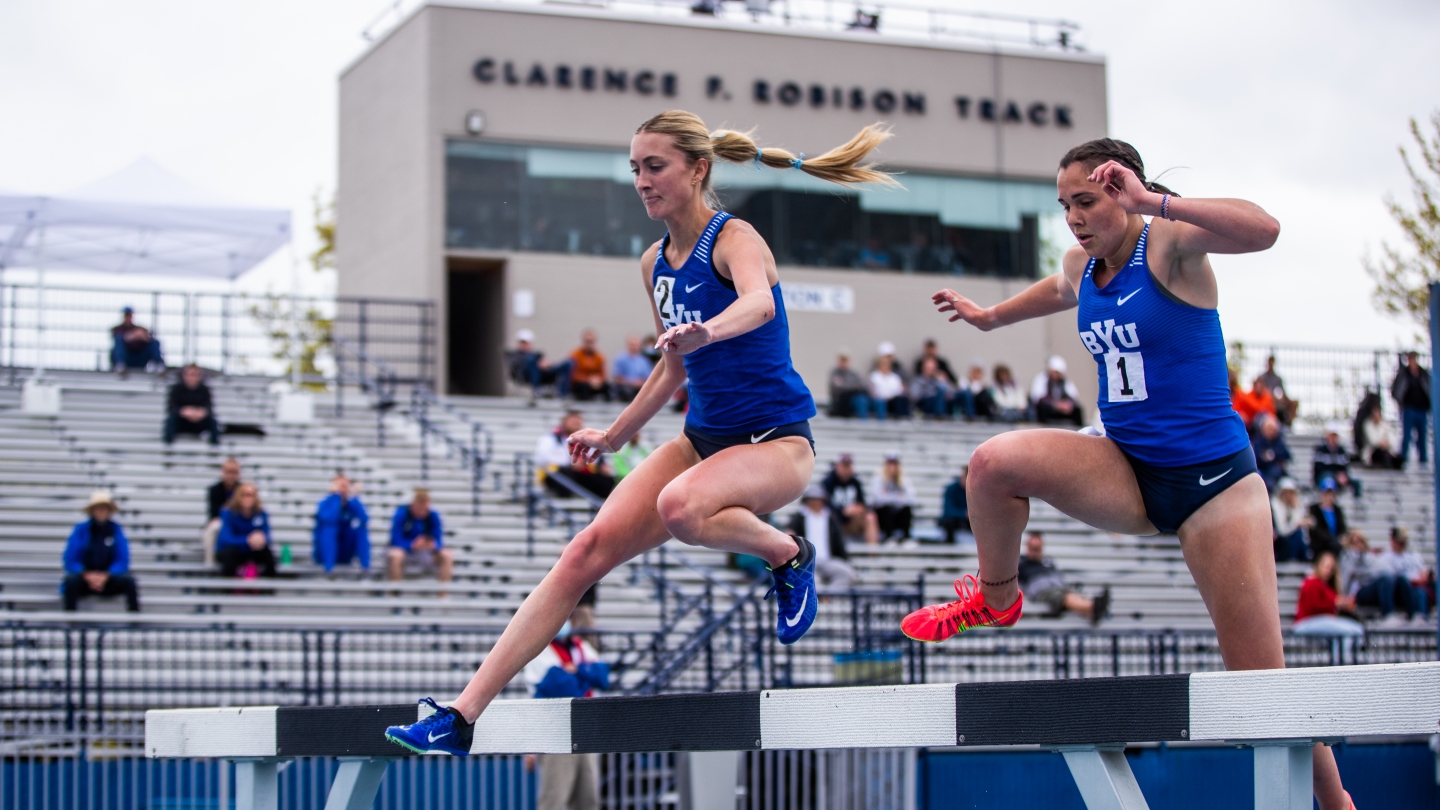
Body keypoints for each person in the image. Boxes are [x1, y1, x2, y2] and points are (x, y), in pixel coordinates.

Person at [385, 111, 895, 754]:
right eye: (634, 168)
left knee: (679, 506)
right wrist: (616, 435)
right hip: (701, 439)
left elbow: (759, 303)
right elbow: (671, 363)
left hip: (776, 442)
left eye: (655, 166)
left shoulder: (736, 237)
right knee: (581, 554)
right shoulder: (654, 260)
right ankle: (459, 716)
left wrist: (709, 329)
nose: (642, 181)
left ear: (698, 168)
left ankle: (788, 555)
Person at [901, 138, 1351, 807]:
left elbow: (1266, 230)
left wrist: (1154, 201)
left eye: (1086, 201)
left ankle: (1336, 802)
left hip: (1213, 488)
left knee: (1261, 682)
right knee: (993, 463)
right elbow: (1058, 289)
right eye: (1065, 205)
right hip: (1127, 469)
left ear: (1122, 191)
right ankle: (998, 599)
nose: (1074, 218)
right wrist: (989, 318)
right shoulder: (1083, 265)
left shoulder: (1169, 246)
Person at [522, 608, 609, 810]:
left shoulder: (579, 647)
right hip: (557, 734)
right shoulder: (538, 649)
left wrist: (576, 670)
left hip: (586, 733)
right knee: (554, 800)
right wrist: (585, 674)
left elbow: (603, 676)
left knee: (587, 800)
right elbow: (562, 686)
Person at [62, 491, 140, 612]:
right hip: (85, 579)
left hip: (109, 579)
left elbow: (122, 560)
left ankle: (135, 621)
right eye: (98, 508)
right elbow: (70, 559)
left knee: (129, 581)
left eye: (104, 508)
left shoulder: (116, 530)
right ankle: (70, 622)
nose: (101, 511)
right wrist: (87, 575)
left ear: (109, 511)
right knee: (71, 581)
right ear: (92, 511)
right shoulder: (81, 530)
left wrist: (106, 576)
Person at [1016, 532, 1109, 625]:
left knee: (1070, 593)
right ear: (1027, 547)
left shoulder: (1048, 563)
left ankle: (1091, 610)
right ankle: (1093, 607)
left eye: (1038, 549)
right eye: (1033, 548)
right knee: (1064, 596)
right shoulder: (1021, 564)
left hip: (1058, 588)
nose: (1035, 551)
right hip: (1042, 592)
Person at [1342, 530, 1424, 625]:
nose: (1358, 545)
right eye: (1354, 542)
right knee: (1385, 578)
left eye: (1360, 541)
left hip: (1378, 589)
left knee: (1401, 578)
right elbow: (1345, 580)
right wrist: (1344, 598)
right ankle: (1388, 615)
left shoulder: (1371, 558)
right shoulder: (1346, 559)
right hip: (1360, 592)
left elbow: (1388, 572)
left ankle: (1413, 614)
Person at [786, 485, 856, 591]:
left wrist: (845, 558)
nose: (815, 503)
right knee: (809, 580)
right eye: (812, 500)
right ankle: (820, 598)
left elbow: (838, 542)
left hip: (828, 560)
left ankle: (829, 595)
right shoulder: (798, 518)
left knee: (847, 573)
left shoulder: (831, 519)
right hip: (807, 562)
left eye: (818, 500)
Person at [534, 411, 616, 500]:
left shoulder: (587, 439)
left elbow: (597, 458)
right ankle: (565, 499)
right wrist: (570, 464)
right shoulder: (550, 439)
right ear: (564, 422)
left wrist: (600, 466)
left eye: (578, 421)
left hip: (580, 474)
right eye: (573, 421)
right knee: (564, 475)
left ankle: (599, 504)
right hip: (558, 474)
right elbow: (543, 458)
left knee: (606, 480)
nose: (576, 424)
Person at [388, 489, 454, 584]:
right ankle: (394, 594)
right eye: (420, 507)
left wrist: (432, 544)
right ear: (414, 504)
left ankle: (443, 595)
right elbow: (395, 540)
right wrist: (412, 544)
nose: (422, 511)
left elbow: (438, 540)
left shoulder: (433, 515)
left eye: (425, 507)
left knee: (448, 555)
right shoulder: (402, 514)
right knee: (396, 555)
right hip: (406, 551)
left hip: (426, 551)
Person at [1292, 552, 1364, 637]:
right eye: (1326, 567)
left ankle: (1347, 649)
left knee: (1357, 628)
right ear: (1319, 565)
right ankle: (1344, 650)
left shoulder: (1326, 586)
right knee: (1347, 630)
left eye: (1331, 569)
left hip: (1322, 621)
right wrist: (1336, 603)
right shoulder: (1311, 582)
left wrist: (1343, 604)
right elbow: (1313, 606)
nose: (1328, 571)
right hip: (1307, 622)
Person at [215, 482, 277, 578]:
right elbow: (226, 539)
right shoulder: (228, 512)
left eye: (251, 495)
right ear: (238, 496)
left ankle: (268, 590)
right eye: (244, 495)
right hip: (232, 551)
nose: (247, 498)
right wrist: (248, 540)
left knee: (268, 555)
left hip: (251, 550)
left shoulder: (261, 513)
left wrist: (260, 539)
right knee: (231, 554)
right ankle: (226, 590)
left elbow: (267, 536)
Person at [313, 474, 370, 574]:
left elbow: (364, 519)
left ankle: (365, 568)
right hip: (325, 553)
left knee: (360, 529)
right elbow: (331, 519)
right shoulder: (325, 503)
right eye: (340, 486)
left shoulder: (352, 503)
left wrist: (355, 497)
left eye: (345, 485)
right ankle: (328, 569)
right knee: (329, 529)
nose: (343, 489)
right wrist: (336, 497)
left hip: (344, 550)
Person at [822, 454, 880, 545]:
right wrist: (843, 511)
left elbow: (862, 503)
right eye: (844, 466)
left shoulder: (856, 483)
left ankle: (873, 554)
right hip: (835, 520)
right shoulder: (828, 482)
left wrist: (857, 508)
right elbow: (824, 505)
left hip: (852, 520)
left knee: (870, 517)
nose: (846, 470)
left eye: (848, 466)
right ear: (838, 466)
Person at [1379, 527, 1432, 620]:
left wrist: (1423, 577)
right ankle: (1414, 615)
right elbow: (1390, 579)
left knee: (1421, 591)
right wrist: (1413, 580)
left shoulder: (1414, 556)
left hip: (1416, 587)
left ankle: (1422, 618)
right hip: (1398, 590)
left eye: (1403, 542)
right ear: (1392, 541)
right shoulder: (1385, 558)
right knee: (1403, 580)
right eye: (1399, 542)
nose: (1401, 545)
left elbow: (1424, 572)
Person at [164, 364, 220, 445]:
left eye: (196, 374)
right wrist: (183, 411)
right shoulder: (176, 388)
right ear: (184, 375)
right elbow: (172, 407)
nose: (193, 377)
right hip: (182, 422)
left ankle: (214, 448)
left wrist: (200, 413)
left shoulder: (204, 389)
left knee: (213, 422)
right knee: (170, 420)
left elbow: (209, 408)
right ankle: (168, 447)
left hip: (199, 422)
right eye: (191, 374)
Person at [1391, 351, 1430, 466]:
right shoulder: (1404, 374)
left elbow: (1428, 388)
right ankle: (1403, 458)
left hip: (1422, 408)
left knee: (1422, 435)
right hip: (1409, 408)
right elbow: (1396, 390)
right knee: (1407, 434)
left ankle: (1423, 458)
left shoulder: (1423, 373)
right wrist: (1400, 402)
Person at [201, 457, 242, 566]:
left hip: (240, 522)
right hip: (221, 521)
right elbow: (214, 513)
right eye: (228, 472)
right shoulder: (214, 489)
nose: (231, 475)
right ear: (223, 472)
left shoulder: (243, 489)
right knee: (213, 529)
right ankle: (210, 562)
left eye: (234, 472)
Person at [508, 329, 572, 398]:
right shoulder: (514, 355)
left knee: (568, 363)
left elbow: (544, 362)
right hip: (526, 375)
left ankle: (563, 393)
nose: (524, 345)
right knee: (531, 360)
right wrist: (536, 363)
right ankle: (537, 390)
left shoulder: (537, 354)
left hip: (543, 373)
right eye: (522, 343)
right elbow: (517, 366)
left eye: (526, 343)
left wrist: (547, 364)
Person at [871, 453, 916, 542]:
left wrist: (889, 498)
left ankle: (906, 537)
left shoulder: (904, 479)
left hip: (897, 515)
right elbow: (877, 499)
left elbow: (911, 498)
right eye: (890, 463)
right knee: (885, 509)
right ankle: (888, 537)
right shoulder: (878, 478)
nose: (892, 466)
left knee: (906, 509)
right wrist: (897, 498)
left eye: (895, 463)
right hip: (883, 517)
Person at [1029, 356, 1082, 426]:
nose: (1055, 375)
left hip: (1062, 409)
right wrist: (1055, 404)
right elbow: (1038, 398)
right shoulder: (1041, 379)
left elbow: (1073, 396)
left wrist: (1067, 404)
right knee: (1044, 407)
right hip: (1049, 409)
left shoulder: (1065, 381)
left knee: (1078, 409)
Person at [110, 306, 164, 374]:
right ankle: (120, 365)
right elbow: (117, 338)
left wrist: (143, 337)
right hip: (126, 358)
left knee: (155, 342)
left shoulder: (140, 328)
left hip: (140, 357)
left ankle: (159, 365)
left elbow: (149, 337)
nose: (128, 318)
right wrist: (132, 336)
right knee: (118, 340)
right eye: (126, 315)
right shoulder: (117, 329)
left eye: (129, 315)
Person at [1311, 426, 1360, 498]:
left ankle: (1357, 503)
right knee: (1329, 480)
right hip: (1323, 476)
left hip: (1338, 476)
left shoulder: (1341, 451)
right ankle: (1328, 500)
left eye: (1335, 436)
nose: (1334, 438)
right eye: (1332, 436)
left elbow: (1345, 466)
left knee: (1356, 482)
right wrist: (1336, 475)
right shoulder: (1321, 450)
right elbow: (1318, 467)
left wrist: (1344, 475)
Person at [1271, 478, 1309, 563]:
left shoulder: (1293, 506)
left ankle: (1298, 559)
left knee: (1299, 535)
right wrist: (1296, 524)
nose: (1288, 495)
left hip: (1288, 536)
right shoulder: (1275, 506)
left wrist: (1296, 508)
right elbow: (1282, 530)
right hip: (1279, 539)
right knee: (1296, 535)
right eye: (1286, 492)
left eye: (1291, 493)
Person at [1306, 481, 1347, 560]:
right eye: (1326, 494)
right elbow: (1315, 529)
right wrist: (1332, 539)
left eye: (1331, 494)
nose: (1329, 497)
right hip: (1321, 544)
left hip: (1335, 542)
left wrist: (1342, 536)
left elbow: (1342, 526)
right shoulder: (1314, 509)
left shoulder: (1337, 510)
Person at [1250, 413, 1291, 492]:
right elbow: (1256, 458)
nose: (1271, 431)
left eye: (1273, 429)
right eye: (1269, 429)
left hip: (1278, 471)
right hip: (1262, 470)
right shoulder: (1258, 441)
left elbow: (1287, 455)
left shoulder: (1279, 441)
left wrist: (1272, 456)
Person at [568, 329, 610, 402]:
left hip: (595, 384)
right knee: (584, 387)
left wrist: (598, 380)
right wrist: (589, 380)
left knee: (608, 387)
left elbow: (603, 374)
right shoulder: (575, 355)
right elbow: (573, 375)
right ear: (583, 342)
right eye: (587, 341)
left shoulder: (599, 357)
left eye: (591, 342)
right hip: (580, 384)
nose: (589, 344)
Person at [1257, 355, 1299, 426]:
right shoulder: (1262, 377)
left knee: (1294, 403)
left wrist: (1285, 400)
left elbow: (1283, 393)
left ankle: (1289, 423)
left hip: (1276, 400)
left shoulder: (1278, 378)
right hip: (1265, 400)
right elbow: (1262, 392)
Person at [827, 352, 871, 418]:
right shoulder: (835, 373)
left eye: (845, 360)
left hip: (852, 399)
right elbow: (836, 389)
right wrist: (852, 388)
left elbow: (863, 385)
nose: (843, 362)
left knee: (861, 399)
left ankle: (863, 421)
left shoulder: (853, 373)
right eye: (842, 360)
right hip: (839, 400)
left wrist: (847, 387)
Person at [612, 335, 654, 402]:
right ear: (627, 345)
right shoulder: (620, 359)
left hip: (640, 388)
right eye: (632, 345)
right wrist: (632, 382)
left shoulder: (645, 361)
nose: (634, 347)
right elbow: (617, 378)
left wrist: (639, 383)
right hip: (625, 388)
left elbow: (648, 378)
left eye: (635, 345)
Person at [868, 352, 909, 419]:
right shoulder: (874, 377)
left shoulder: (895, 377)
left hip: (892, 400)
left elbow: (900, 390)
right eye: (883, 364)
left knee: (901, 400)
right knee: (880, 403)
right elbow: (873, 392)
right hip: (879, 400)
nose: (885, 366)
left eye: (887, 365)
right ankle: (882, 423)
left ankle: (903, 419)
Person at [938, 465, 970, 544]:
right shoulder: (951, 489)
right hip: (956, 520)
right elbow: (948, 511)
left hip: (968, 521)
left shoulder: (977, 491)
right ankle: (949, 547)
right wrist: (964, 514)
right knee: (949, 522)